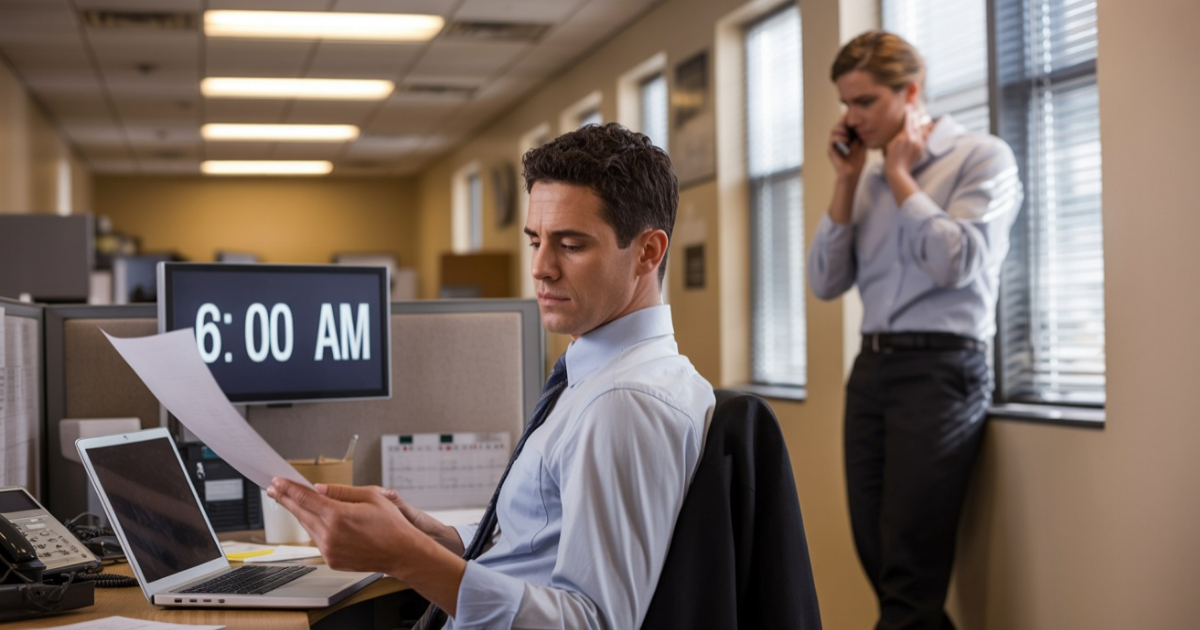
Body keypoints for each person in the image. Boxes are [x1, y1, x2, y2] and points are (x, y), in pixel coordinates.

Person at [269, 123, 714, 630]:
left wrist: (406, 557)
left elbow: (591, 622)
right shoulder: (605, 376)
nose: (541, 268)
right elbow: (538, 544)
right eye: (535, 241)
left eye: (570, 245)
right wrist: (430, 535)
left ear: (648, 252)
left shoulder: (622, 403)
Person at [807, 31, 1023, 629]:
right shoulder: (865, 179)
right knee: (878, 553)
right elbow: (825, 281)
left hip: (941, 371)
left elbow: (958, 261)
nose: (852, 118)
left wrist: (902, 178)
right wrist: (847, 180)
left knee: (909, 569)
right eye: (846, 103)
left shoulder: (982, 157)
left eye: (866, 101)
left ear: (911, 92)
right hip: (871, 371)